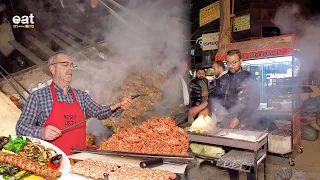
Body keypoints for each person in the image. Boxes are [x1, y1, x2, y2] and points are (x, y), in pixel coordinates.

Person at [16, 53, 133, 155]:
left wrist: (119, 106)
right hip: (53, 161)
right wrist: (41, 132)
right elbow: (20, 127)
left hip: (79, 157)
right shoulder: (38, 97)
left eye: (71, 65)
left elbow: (98, 112)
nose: (70, 68)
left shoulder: (81, 96)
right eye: (64, 64)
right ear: (52, 69)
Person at [209, 49, 260, 180]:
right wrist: (207, 107)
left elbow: (254, 102)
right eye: (228, 63)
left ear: (241, 61)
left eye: (234, 62)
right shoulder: (223, 79)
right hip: (227, 125)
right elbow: (214, 96)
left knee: (249, 162)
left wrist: (239, 117)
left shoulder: (250, 77)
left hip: (246, 124)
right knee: (231, 160)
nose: (231, 66)